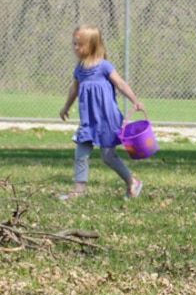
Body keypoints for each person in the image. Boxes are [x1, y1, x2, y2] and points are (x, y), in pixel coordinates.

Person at [58, 26, 145, 201]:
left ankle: (132, 182)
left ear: (92, 45)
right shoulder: (79, 70)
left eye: (79, 44)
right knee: (80, 154)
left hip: (107, 120)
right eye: (74, 44)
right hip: (88, 121)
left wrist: (135, 100)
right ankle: (79, 191)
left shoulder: (104, 67)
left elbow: (120, 84)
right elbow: (74, 89)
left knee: (108, 157)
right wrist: (66, 107)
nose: (75, 48)